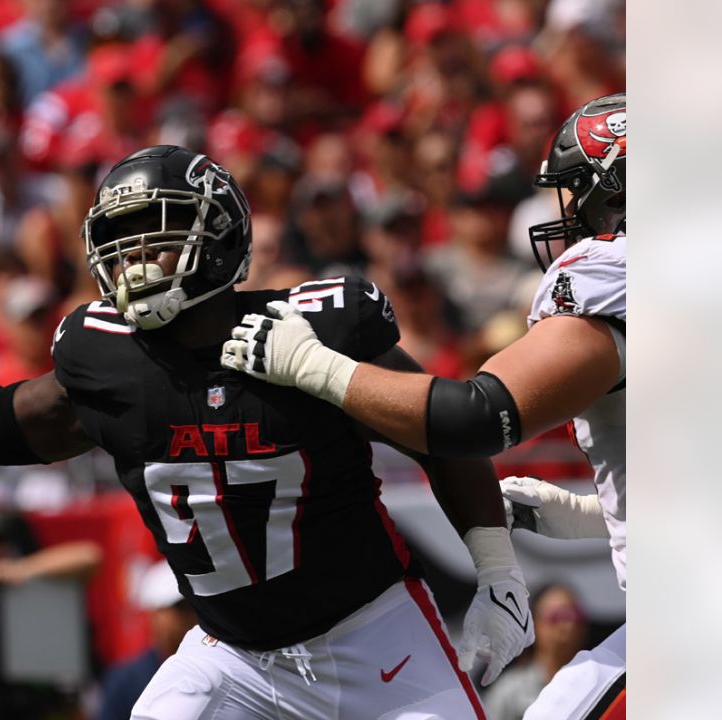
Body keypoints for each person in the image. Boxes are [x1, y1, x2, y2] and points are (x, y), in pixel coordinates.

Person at [0, 145, 534, 718]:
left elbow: (443, 431)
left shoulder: (312, 326)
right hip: (234, 655)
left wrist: (498, 572)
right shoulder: (108, 357)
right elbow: (1, 425)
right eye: (117, 243)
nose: (129, 262)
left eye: (150, 240)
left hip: (375, 636)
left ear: (218, 238)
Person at [221, 93, 627, 720]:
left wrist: (316, 367)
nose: (565, 213)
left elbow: (471, 418)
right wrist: (597, 515)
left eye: (575, 191)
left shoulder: (615, 286)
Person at [98, 560, 199, 720]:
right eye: (181, 607)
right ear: (155, 614)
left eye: (196, 607)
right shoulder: (125, 681)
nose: (192, 616)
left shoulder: (220, 667)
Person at [482, 584, 590, 720]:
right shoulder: (510, 692)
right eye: (556, 616)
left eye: (574, 616)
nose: (567, 625)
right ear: (535, 625)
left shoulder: (594, 685)